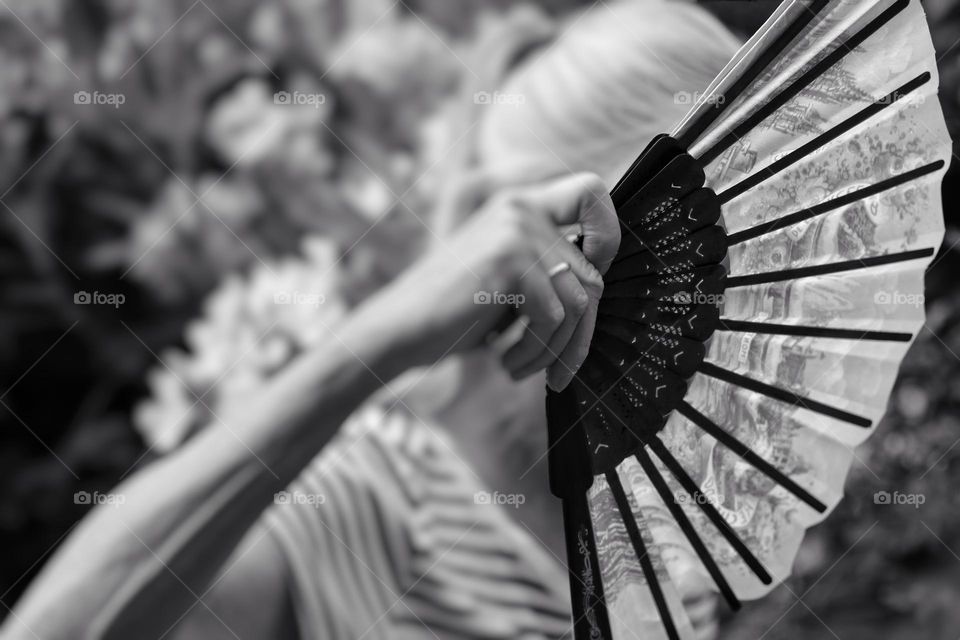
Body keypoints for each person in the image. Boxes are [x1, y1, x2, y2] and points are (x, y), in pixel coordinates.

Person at [3, 2, 739, 639]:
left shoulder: (663, 546)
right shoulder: (369, 500)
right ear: (558, 241)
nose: (730, 310)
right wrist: (374, 343)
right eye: (696, 255)